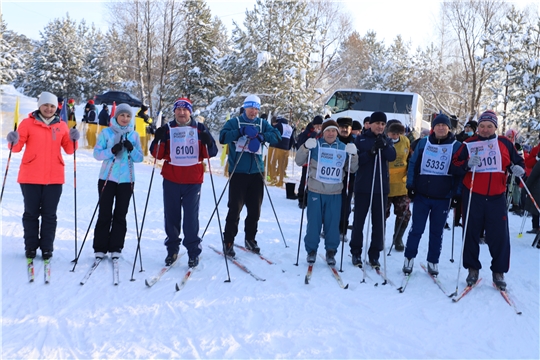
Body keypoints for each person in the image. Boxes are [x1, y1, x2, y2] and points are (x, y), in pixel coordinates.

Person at [451, 110, 525, 290]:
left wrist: (519, 170)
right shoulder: (469, 143)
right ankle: (472, 269)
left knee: (499, 235)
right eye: (482, 126)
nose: (485, 129)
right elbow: (454, 165)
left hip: (496, 196)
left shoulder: (505, 143)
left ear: (495, 127)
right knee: (470, 232)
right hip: (473, 194)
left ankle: (498, 272)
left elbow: (518, 162)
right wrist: (467, 165)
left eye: (489, 126)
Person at [6, 91, 79, 260]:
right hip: (30, 176)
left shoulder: (61, 125)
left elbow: (69, 149)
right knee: (31, 214)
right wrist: (13, 139)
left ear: (57, 108)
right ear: (39, 106)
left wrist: (73, 139)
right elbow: (15, 148)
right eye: (46, 105)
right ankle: (30, 246)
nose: (49, 108)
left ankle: (47, 247)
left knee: (50, 215)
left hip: (54, 178)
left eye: (52, 106)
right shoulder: (27, 123)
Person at [150, 98, 217, 267]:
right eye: (178, 110)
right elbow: (157, 154)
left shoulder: (199, 128)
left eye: (185, 110)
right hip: (171, 178)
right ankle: (172, 250)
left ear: (190, 111)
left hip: (192, 180)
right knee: (171, 216)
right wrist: (156, 139)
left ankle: (193, 252)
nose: (181, 113)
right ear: (174, 112)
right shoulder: (167, 129)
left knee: (190, 218)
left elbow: (212, 152)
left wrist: (208, 141)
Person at [219, 95, 281, 255]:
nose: (253, 111)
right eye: (251, 108)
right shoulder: (235, 122)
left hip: (256, 172)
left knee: (255, 210)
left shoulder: (262, 123)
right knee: (235, 208)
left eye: (256, 109)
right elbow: (223, 137)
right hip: (238, 171)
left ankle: (250, 238)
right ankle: (228, 241)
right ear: (245, 108)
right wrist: (240, 132)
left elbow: (277, 136)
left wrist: (262, 136)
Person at [402, 114, 462, 275]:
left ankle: (433, 261)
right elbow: (413, 164)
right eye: (438, 125)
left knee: (437, 232)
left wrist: (457, 194)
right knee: (417, 229)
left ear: (449, 128)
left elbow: (460, 173)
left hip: (443, 197)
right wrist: (410, 185)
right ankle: (409, 258)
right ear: (433, 128)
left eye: (444, 125)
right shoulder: (423, 143)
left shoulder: (457, 146)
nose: (441, 128)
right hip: (422, 195)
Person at [295, 120, 358, 264]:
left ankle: (331, 251)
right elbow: (299, 161)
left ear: (337, 132)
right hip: (315, 191)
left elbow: (352, 169)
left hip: (335, 193)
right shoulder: (315, 145)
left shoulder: (343, 147)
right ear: (323, 132)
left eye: (333, 131)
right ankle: (311, 251)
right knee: (314, 224)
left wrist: (354, 155)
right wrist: (305, 147)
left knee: (332, 224)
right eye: (328, 131)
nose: (331, 133)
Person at [92, 104, 143, 260]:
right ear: (116, 116)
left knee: (121, 215)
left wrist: (131, 149)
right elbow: (97, 154)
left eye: (128, 116)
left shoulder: (134, 135)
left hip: (127, 180)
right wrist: (111, 151)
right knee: (105, 213)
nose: (125, 118)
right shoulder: (106, 132)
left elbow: (139, 158)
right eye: (122, 115)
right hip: (107, 178)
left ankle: (116, 246)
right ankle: (100, 247)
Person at [350, 111, 396, 268]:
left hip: (380, 188)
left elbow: (392, 156)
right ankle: (356, 251)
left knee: (379, 223)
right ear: (371, 124)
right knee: (359, 222)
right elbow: (356, 161)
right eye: (378, 123)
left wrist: (384, 146)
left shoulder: (386, 140)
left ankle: (374, 254)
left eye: (383, 124)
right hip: (363, 186)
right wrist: (370, 152)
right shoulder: (361, 139)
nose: (380, 126)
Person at [384, 122, 411, 252]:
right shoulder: (383, 142)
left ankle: (398, 238)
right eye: (392, 133)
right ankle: (379, 238)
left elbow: (411, 159)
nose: (395, 136)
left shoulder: (405, 141)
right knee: (382, 214)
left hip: (401, 186)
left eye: (397, 133)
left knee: (404, 214)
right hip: (385, 186)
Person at [295, 115, 323, 208]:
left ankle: (309, 197)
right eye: (317, 126)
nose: (318, 128)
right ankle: (301, 197)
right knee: (304, 178)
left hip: (316, 161)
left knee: (313, 180)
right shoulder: (307, 132)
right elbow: (301, 143)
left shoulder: (322, 134)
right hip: (307, 159)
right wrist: (312, 136)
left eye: (320, 125)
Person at [336, 116, 356, 242]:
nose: (344, 130)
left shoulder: (354, 141)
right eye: (342, 127)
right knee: (333, 204)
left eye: (347, 128)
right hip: (333, 177)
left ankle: (342, 229)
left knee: (346, 204)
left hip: (349, 177)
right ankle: (329, 227)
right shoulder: (334, 140)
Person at [267, 116, 295, 187]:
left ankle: (273, 179)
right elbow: (292, 140)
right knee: (281, 165)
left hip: (278, 147)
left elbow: (274, 133)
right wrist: (288, 148)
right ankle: (281, 181)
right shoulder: (289, 127)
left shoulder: (279, 125)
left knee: (273, 162)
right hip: (286, 148)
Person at [524, 135, 540, 233]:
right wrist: (536, 159)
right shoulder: (535, 149)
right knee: (535, 202)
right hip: (536, 179)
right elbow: (528, 163)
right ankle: (535, 226)